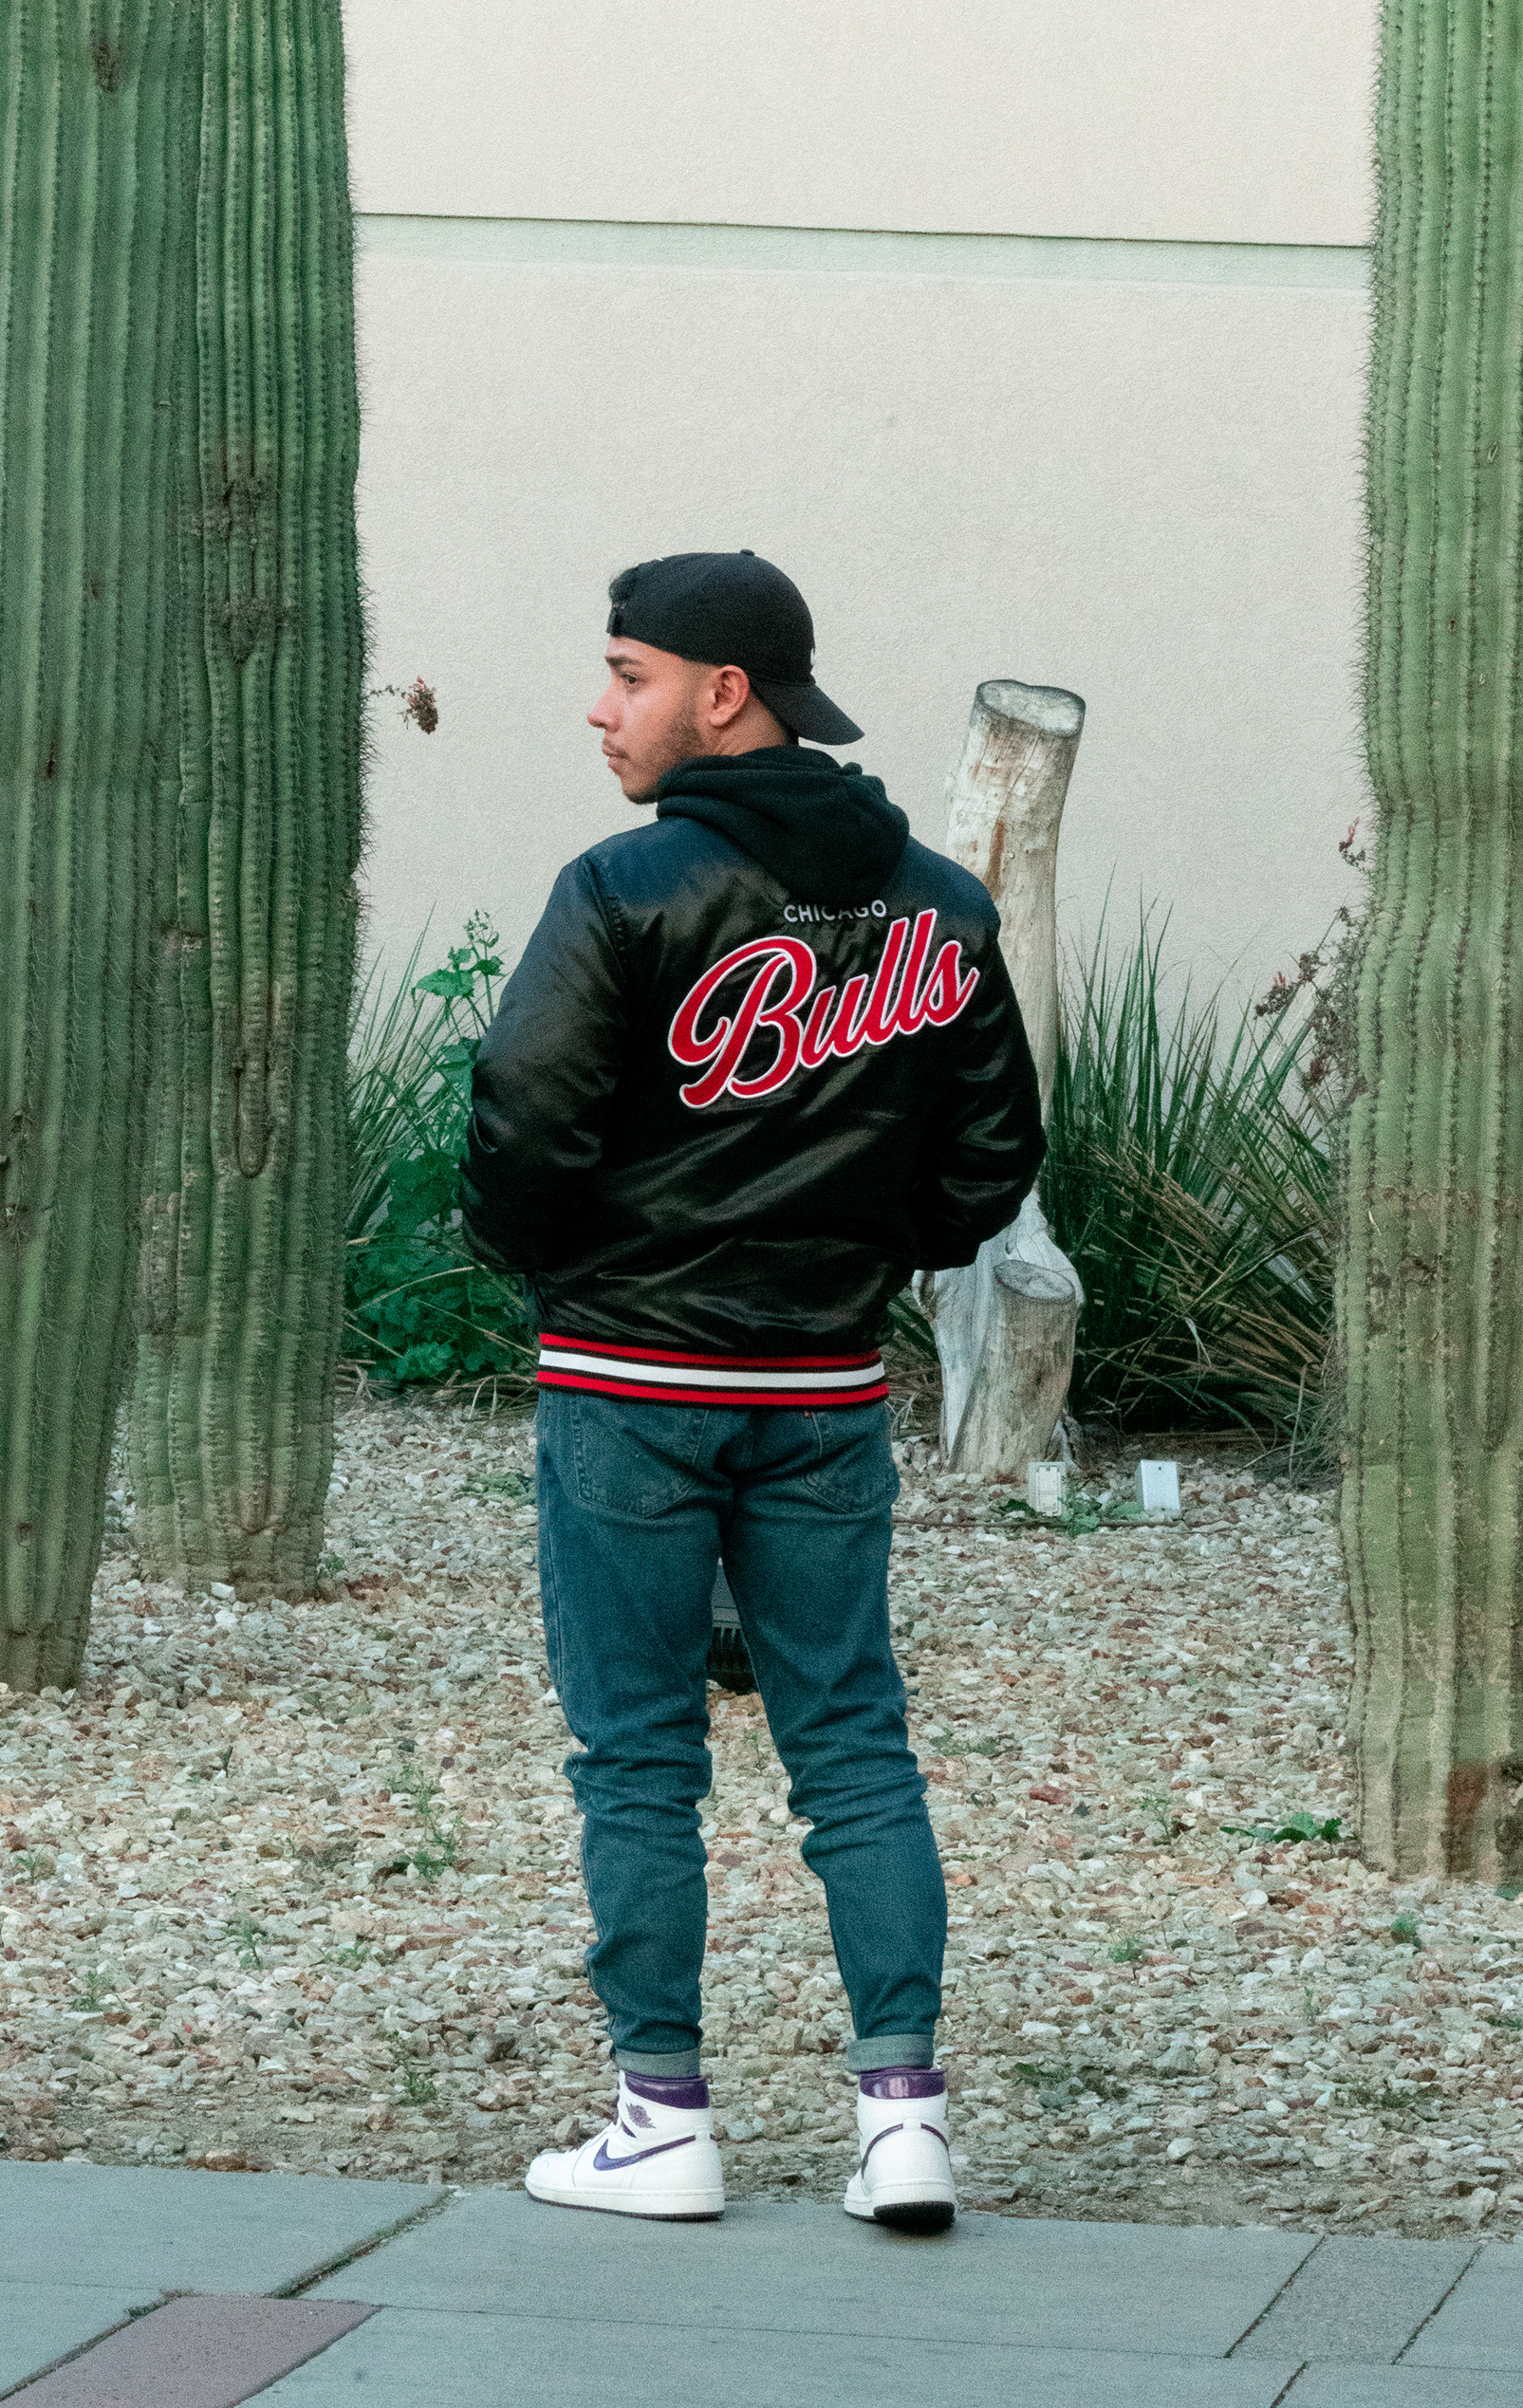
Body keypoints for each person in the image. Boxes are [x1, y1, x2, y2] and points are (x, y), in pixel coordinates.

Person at [459, 550, 1045, 2226]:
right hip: (822, 1387)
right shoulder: (942, 906)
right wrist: (862, 1259)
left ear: (725, 694)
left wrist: (559, 1265)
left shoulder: (625, 887)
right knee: (852, 1744)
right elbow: (990, 1153)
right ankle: (904, 2123)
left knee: (640, 1756)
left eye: (627, 673)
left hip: (629, 1380)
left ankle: (664, 2123)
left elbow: (523, 1119)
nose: (600, 707)